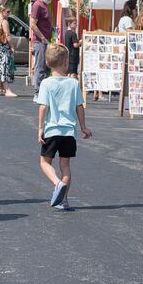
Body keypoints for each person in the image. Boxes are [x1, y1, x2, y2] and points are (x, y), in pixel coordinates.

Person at [35, 42, 91, 210]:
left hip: (52, 130)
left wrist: (40, 129)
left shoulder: (46, 83)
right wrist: (83, 127)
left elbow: (43, 107)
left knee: (45, 163)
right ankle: (63, 200)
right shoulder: (73, 83)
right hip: (69, 132)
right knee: (65, 165)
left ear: (47, 63)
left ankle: (57, 183)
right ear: (66, 62)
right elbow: (79, 106)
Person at [29, 0, 54, 90]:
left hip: (46, 41)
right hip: (40, 42)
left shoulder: (46, 5)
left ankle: (44, 91)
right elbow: (32, 24)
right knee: (40, 67)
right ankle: (38, 92)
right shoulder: (37, 5)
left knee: (47, 67)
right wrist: (43, 38)